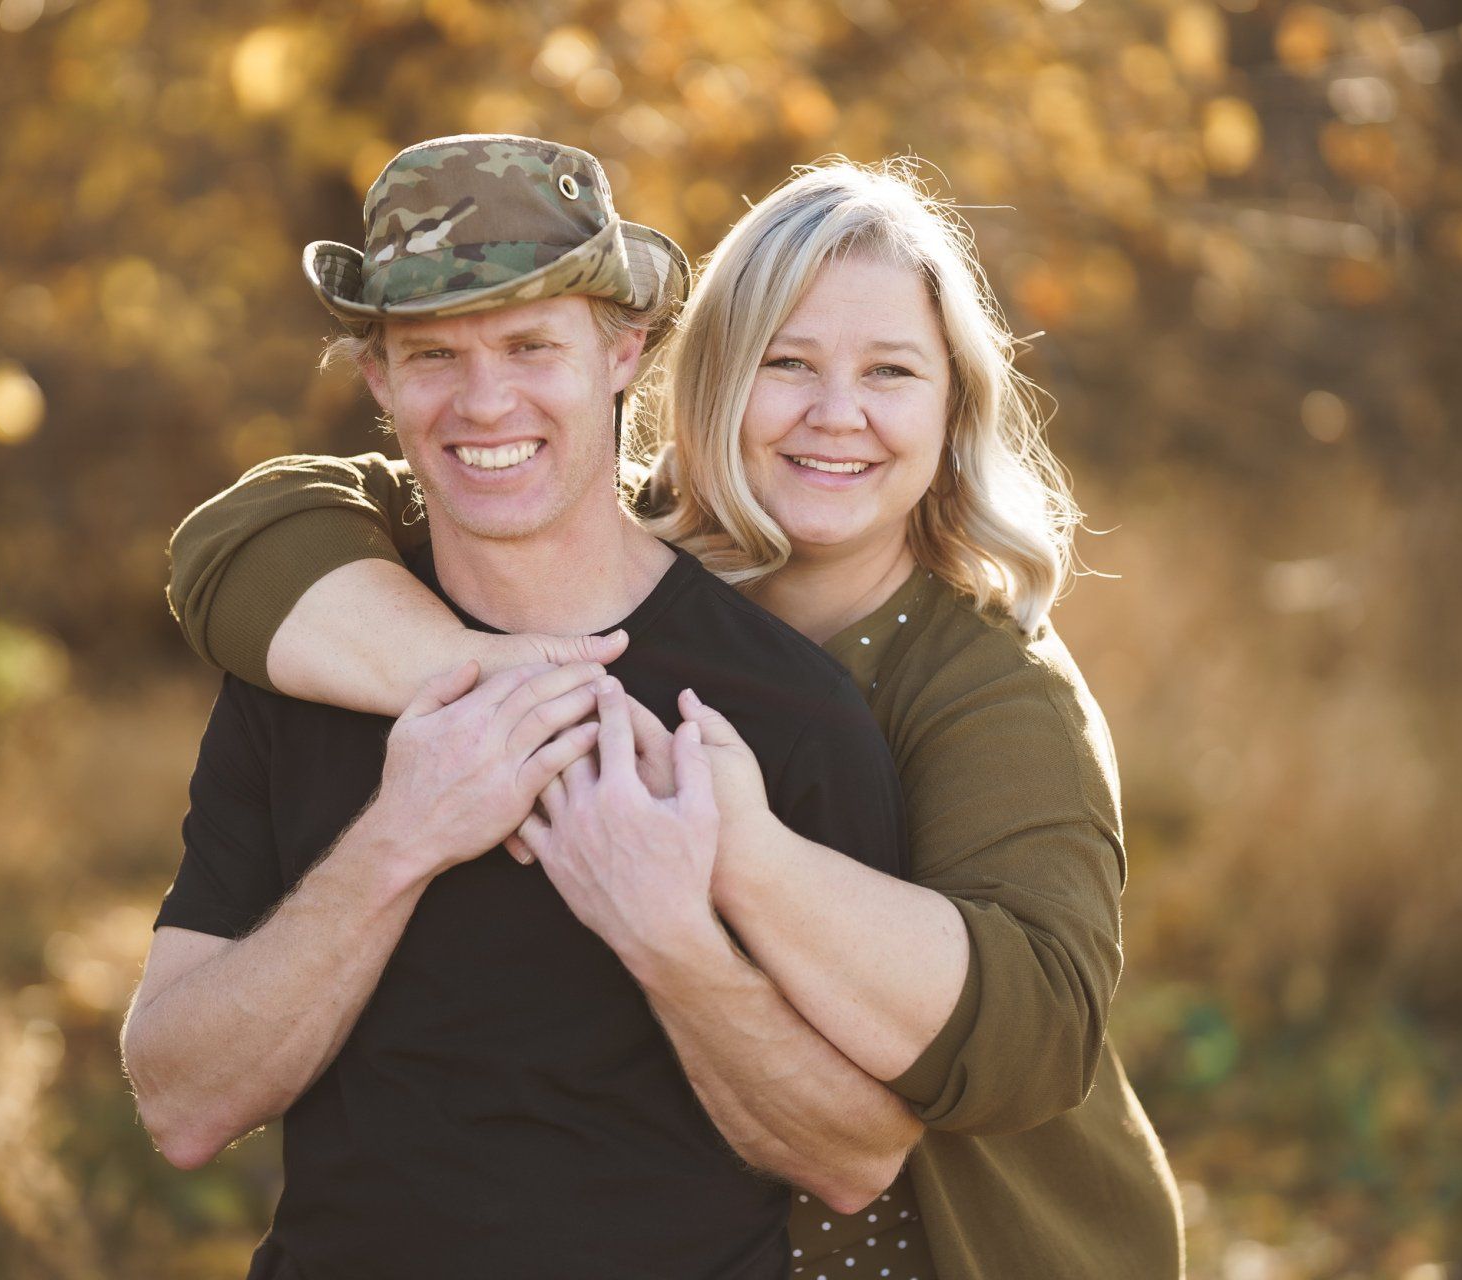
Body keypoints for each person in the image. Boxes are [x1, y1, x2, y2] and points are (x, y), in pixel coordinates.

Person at [166, 156, 1188, 1278]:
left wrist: (726, 864)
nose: (834, 414)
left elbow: (1029, 1043)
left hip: (952, 1250)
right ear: (704, 381)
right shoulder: (540, 525)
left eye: (890, 371)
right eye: (785, 363)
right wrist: (494, 696)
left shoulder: (971, 688)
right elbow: (248, 535)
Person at [121, 134, 922, 1280]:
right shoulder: (307, 671)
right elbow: (179, 1100)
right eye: (433, 354)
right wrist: (400, 840)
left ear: (622, 352)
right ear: (379, 381)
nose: (484, 399)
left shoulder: (780, 705)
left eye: (532, 343)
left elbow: (857, 1155)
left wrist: (667, 938)